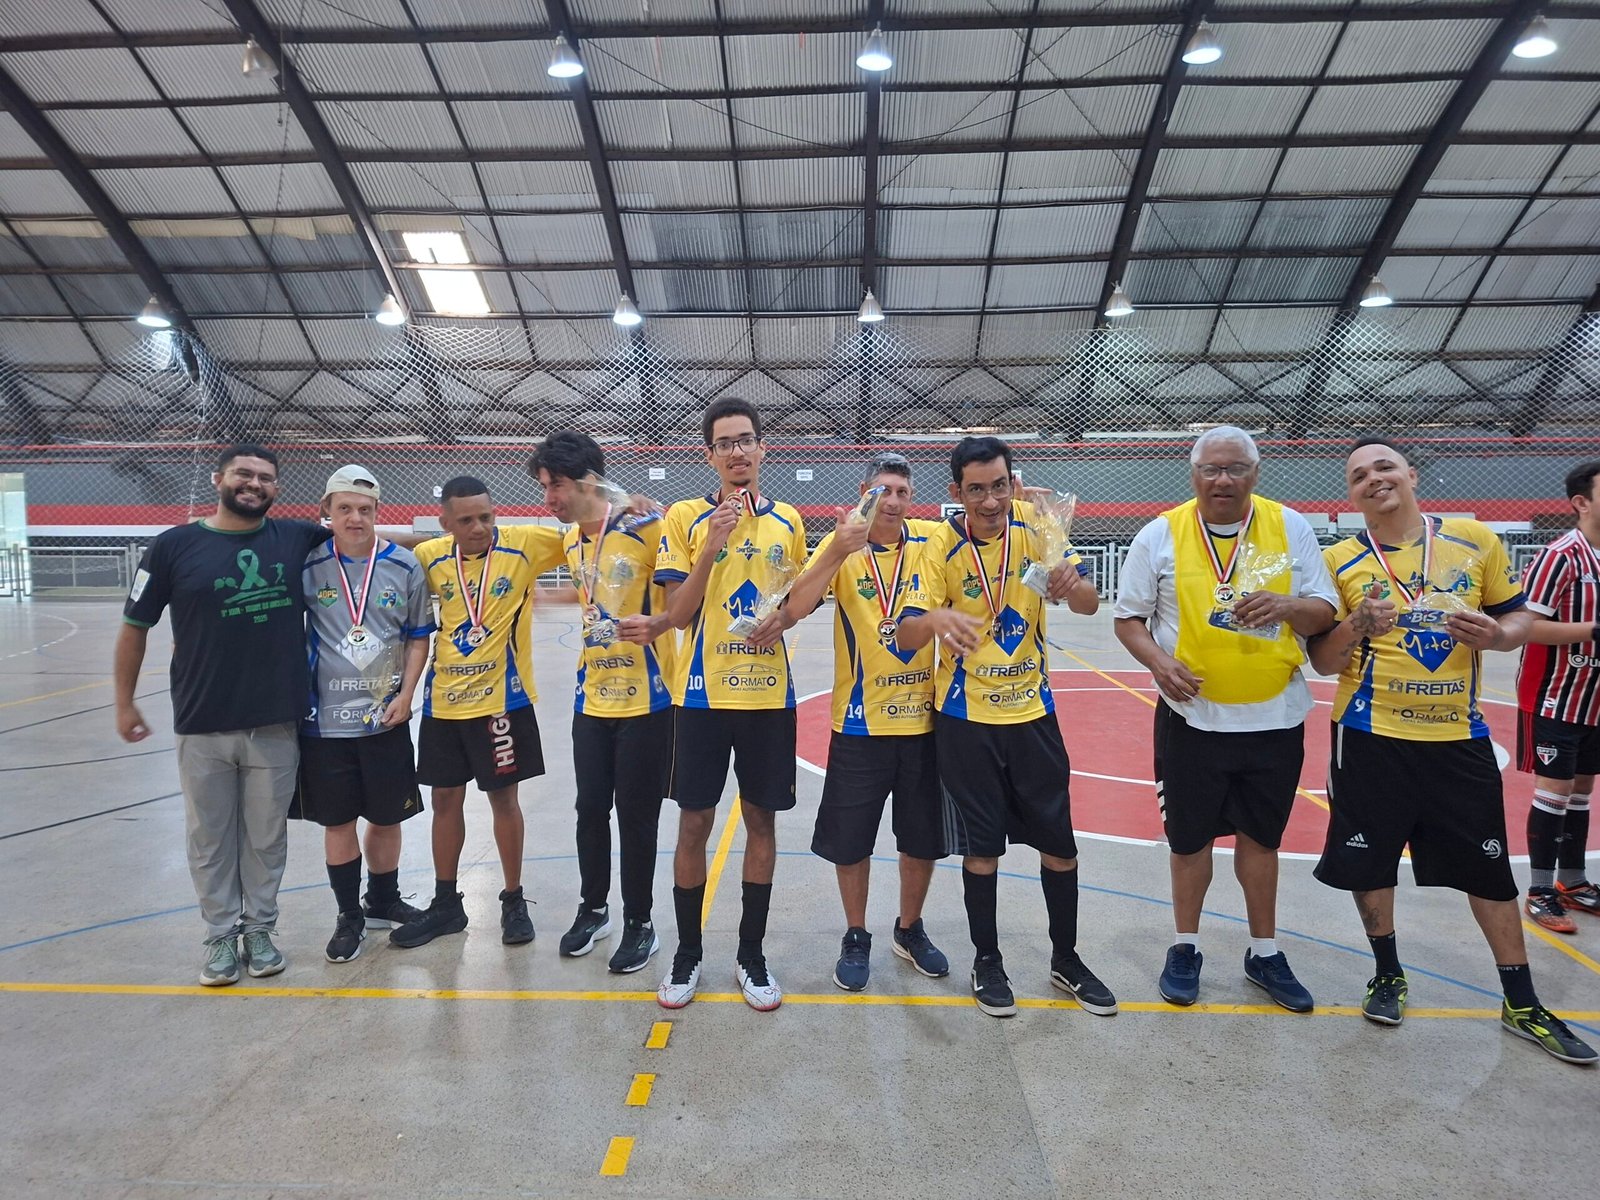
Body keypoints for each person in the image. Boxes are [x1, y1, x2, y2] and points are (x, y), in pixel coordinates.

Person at [1308, 436, 1595, 1064]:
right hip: (1368, 737)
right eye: (1359, 475)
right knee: (1370, 864)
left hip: (1458, 737)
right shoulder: (1339, 559)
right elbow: (1323, 661)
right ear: (1351, 495)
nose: (1374, 478)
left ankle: (1522, 1002)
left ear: (1411, 474)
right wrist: (1356, 625)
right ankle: (1387, 973)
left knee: (1488, 871)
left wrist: (1495, 634)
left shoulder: (1473, 539)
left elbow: (1519, 621)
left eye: (1385, 466)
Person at [1114, 427, 1336, 1011]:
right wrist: (1159, 663)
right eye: (1211, 469)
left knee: (1262, 842)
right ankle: (1185, 946)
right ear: (1193, 474)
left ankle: (1264, 952)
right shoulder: (1160, 534)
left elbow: (1323, 611)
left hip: (1275, 719)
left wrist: (1288, 605)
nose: (1222, 479)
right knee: (1189, 843)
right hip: (1192, 719)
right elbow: (1129, 619)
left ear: (1255, 474)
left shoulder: (1291, 527)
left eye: (1236, 468)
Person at [896, 436, 1116, 1019]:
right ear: (956, 491)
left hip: (1033, 714)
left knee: (1060, 846)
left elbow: (1089, 604)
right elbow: (905, 634)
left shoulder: (1038, 525)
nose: (990, 501)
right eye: (977, 490)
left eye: (999, 486)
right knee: (983, 850)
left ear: (1012, 482)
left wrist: (1073, 584)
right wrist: (937, 618)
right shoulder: (940, 545)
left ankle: (1066, 958)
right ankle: (987, 961)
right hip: (967, 720)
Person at [114, 444, 333, 986]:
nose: (253, 483)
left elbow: (362, 536)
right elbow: (135, 627)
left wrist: (452, 536)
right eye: (243, 474)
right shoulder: (172, 546)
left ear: (277, 488)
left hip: (275, 722)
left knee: (265, 837)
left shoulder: (296, 537)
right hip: (202, 720)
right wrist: (124, 701)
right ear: (219, 479)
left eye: (265, 477)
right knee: (209, 837)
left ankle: (259, 930)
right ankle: (218, 935)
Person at [754, 451, 949, 991]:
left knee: (921, 839)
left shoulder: (934, 538)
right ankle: (857, 933)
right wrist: (837, 550)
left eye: (902, 492)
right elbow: (795, 607)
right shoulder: (841, 545)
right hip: (860, 724)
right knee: (852, 840)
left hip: (923, 722)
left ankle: (909, 929)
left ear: (913, 498)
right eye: (882, 491)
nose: (893, 501)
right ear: (864, 495)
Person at [652, 397, 807, 1012]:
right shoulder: (685, 517)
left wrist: (784, 618)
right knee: (694, 822)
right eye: (725, 443)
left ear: (762, 448)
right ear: (709, 455)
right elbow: (677, 614)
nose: (737, 451)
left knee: (762, 820)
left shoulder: (788, 520)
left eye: (746, 440)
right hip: (702, 696)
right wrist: (711, 545)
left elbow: (797, 600)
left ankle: (751, 954)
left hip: (769, 696)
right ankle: (688, 952)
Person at [389, 476, 565, 950]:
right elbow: (396, 545)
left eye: (486, 516)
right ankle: (446, 904)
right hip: (444, 703)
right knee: (444, 801)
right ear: (445, 522)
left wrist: (628, 506)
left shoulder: (524, 545)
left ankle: (512, 899)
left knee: (504, 800)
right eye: (465, 520)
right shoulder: (432, 556)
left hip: (502, 702)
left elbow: (587, 534)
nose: (479, 527)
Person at [529, 431, 676, 974]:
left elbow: (682, 582)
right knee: (589, 808)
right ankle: (594, 909)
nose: (549, 498)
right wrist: (552, 594)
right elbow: (598, 588)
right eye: (545, 487)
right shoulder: (571, 541)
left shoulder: (648, 526)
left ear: (589, 480)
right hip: (591, 699)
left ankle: (641, 921)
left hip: (648, 701)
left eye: (557, 485)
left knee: (637, 816)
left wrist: (652, 504)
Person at [295, 465, 434, 964]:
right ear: (327, 511)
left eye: (365, 509)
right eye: (345, 508)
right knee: (338, 821)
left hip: (384, 717)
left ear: (377, 512)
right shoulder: (308, 564)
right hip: (324, 722)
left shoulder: (403, 565)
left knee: (387, 815)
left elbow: (418, 636)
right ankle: (348, 915)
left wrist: (407, 694)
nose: (355, 517)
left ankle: (383, 900)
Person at [1515, 459, 1600, 932]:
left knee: (1583, 788)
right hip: (1555, 695)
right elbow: (1525, 627)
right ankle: (1540, 890)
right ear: (1581, 503)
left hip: (1594, 699)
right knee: (1555, 790)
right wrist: (1593, 630)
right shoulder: (1560, 556)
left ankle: (1574, 880)